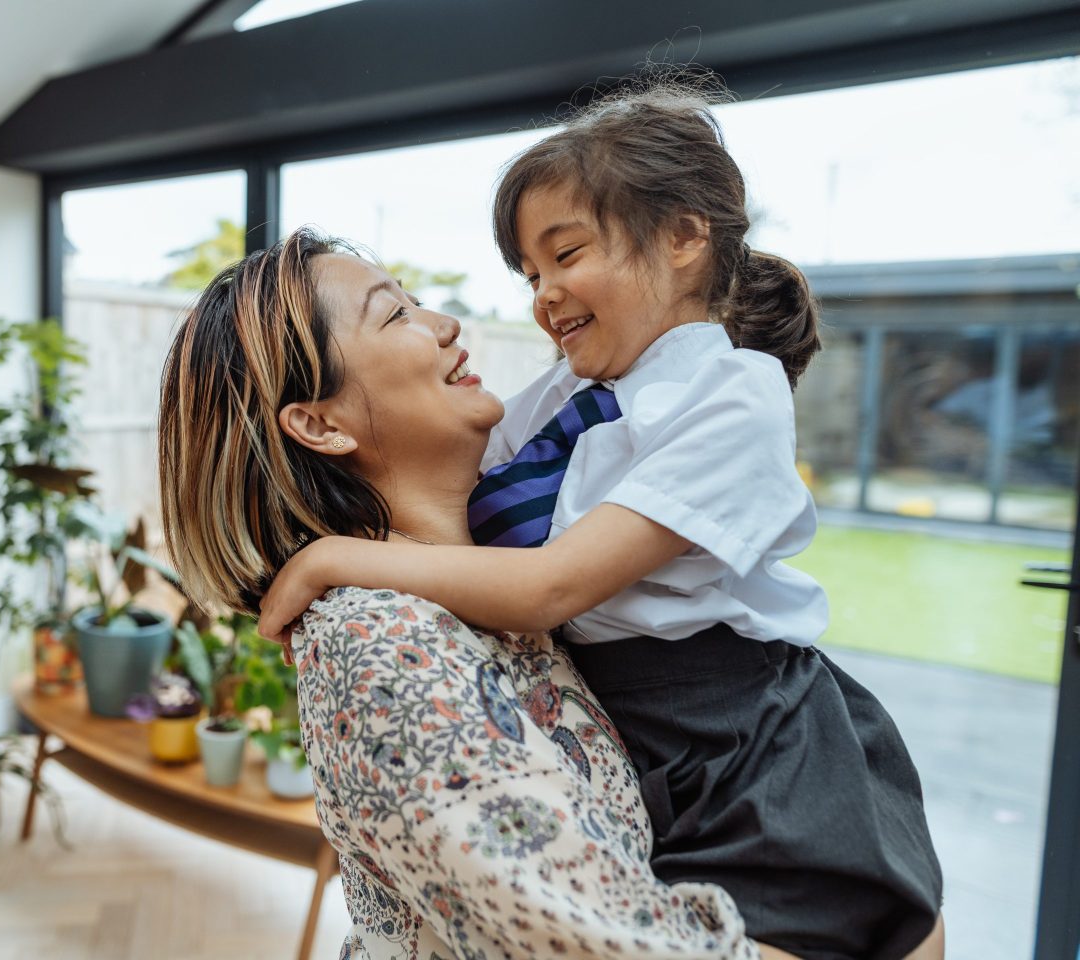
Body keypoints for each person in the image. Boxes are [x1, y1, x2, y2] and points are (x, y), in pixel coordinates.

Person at [256, 79, 944, 960]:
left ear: (685, 236)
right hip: (645, 733)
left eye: (566, 255)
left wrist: (330, 560)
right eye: (531, 273)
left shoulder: (733, 393)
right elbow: (441, 486)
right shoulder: (562, 395)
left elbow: (551, 585)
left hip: (738, 735)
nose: (543, 294)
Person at [158, 229, 800, 959]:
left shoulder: (497, 576)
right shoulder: (384, 643)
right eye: (394, 316)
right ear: (319, 424)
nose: (445, 324)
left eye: (420, 302)